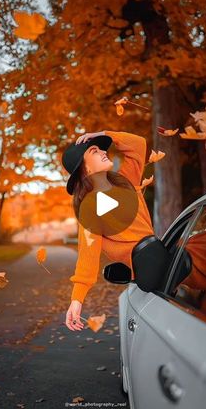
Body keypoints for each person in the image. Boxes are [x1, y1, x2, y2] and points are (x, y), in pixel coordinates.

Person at [61, 130, 155, 331]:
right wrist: (76, 300)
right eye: (94, 151)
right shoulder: (91, 208)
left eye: (101, 148)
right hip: (150, 273)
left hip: (163, 259)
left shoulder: (125, 181)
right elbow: (87, 257)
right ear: (84, 169)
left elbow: (138, 144)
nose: (104, 151)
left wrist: (104, 133)